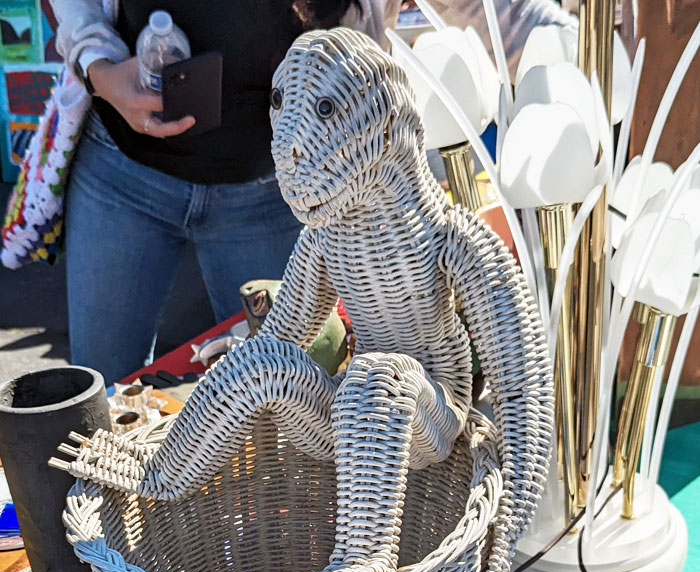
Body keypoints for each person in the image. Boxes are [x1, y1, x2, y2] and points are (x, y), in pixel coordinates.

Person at [52, 0, 572, 385]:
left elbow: (499, 14)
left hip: (277, 198)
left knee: (292, 397)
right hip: (124, 173)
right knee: (93, 398)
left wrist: (580, 52)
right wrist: (97, 64)